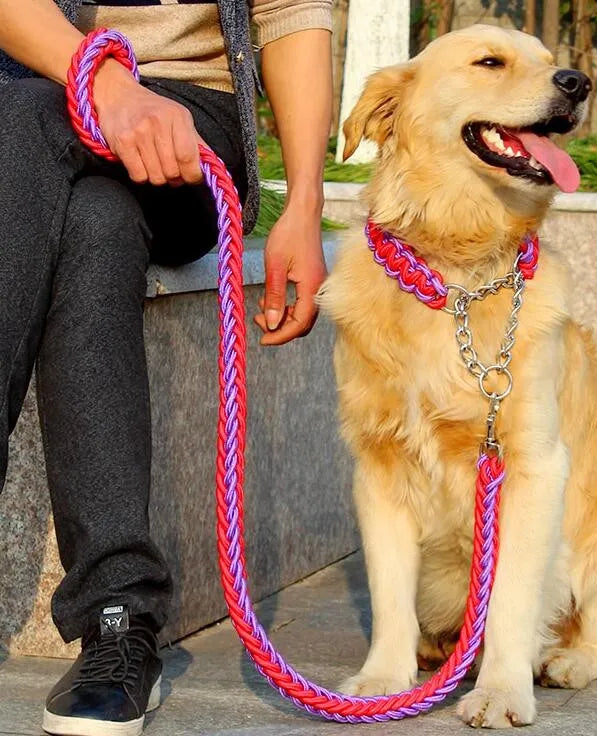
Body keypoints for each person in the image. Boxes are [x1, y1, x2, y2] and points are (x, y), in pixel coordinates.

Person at [0, 0, 332, 733]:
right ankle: (118, 617)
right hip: (36, 93)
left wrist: (303, 200)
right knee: (93, 218)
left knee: (19, 120)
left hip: (187, 125)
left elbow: (291, 13)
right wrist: (105, 84)